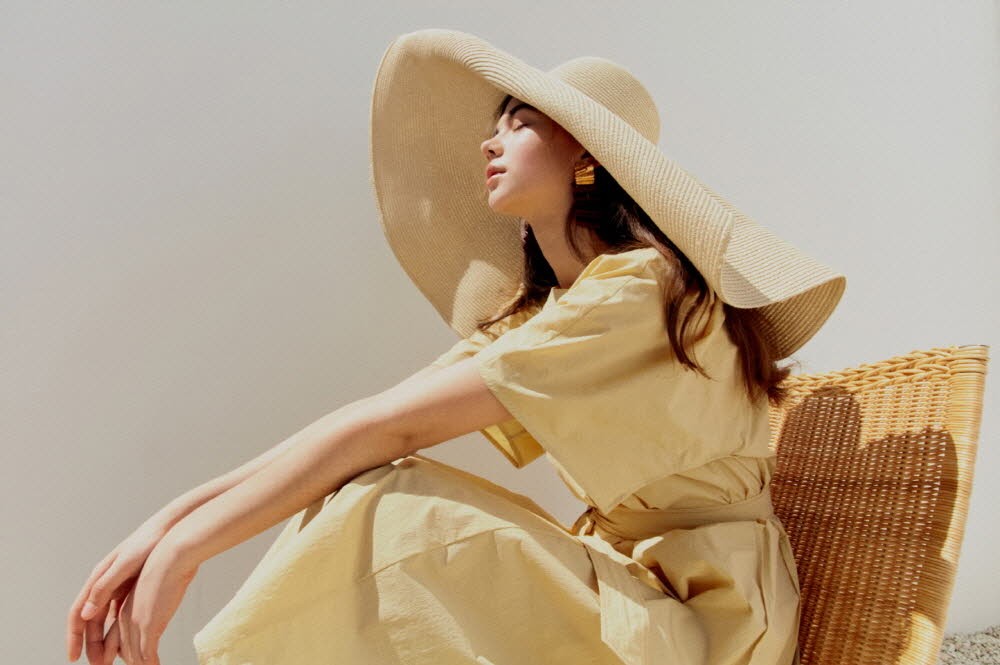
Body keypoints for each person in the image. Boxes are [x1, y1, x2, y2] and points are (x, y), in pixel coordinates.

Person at [67, 29, 846, 665]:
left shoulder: (641, 291)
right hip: (632, 592)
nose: (490, 141)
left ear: (586, 155)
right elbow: (368, 419)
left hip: (707, 624)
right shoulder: (552, 313)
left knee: (390, 499)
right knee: (360, 485)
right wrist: (166, 525)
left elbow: (390, 431)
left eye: (520, 122)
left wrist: (188, 547)